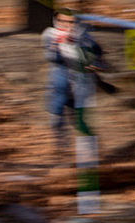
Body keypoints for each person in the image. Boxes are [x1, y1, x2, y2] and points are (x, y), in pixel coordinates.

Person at [41, 10, 104, 152]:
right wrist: (58, 45)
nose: (66, 25)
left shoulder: (83, 35)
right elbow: (52, 57)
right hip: (59, 83)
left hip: (79, 85)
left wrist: (95, 62)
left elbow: (97, 51)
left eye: (70, 22)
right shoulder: (51, 34)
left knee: (79, 121)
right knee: (55, 119)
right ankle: (62, 150)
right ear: (56, 21)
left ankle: (92, 151)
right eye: (62, 21)